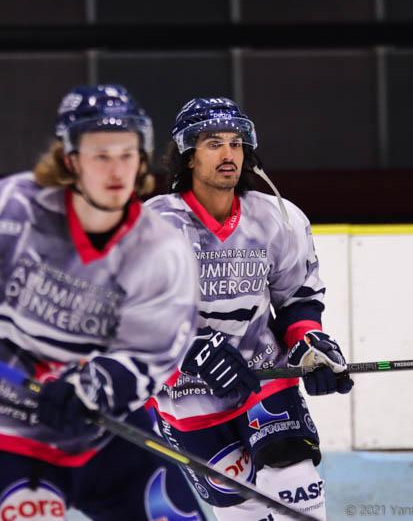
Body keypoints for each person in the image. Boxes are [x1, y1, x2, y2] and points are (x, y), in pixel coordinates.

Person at [0, 84, 206, 521]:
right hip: (5, 433)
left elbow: (155, 351)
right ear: (70, 159)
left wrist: (93, 388)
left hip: (108, 436)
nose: (117, 170)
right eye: (101, 155)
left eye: (127, 154)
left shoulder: (161, 250)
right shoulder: (12, 208)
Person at [146, 97, 354, 521]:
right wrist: (190, 347)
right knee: (243, 505)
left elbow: (297, 298)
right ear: (188, 156)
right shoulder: (154, 226)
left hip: (263, 377)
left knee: (293, 474)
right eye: (214, 144)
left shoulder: (276, 218)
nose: (229, 154)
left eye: (236, 143)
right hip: (184, 396)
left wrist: (308, 343)